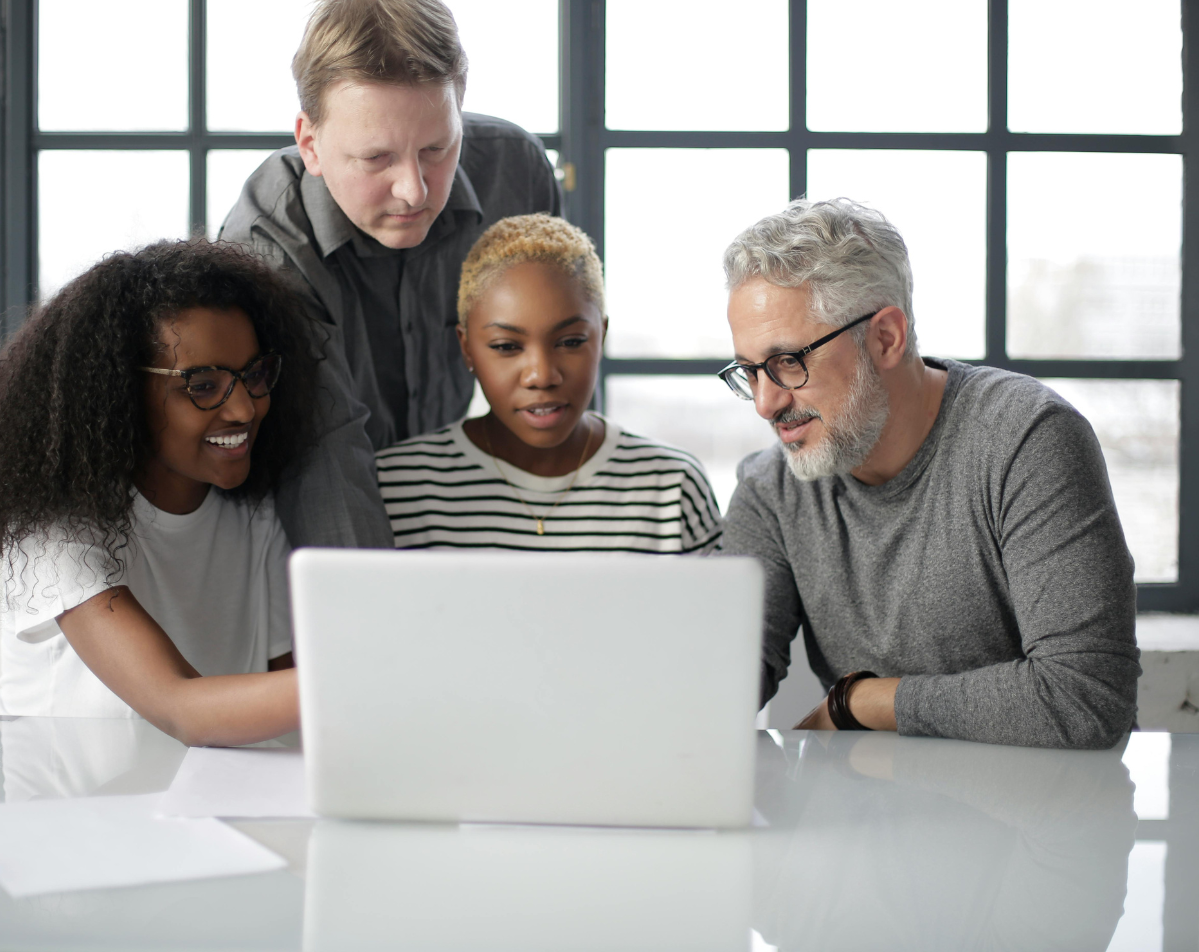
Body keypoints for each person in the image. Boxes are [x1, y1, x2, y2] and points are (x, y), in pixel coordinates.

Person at [715, 199, 1141, 750]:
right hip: (871, 816)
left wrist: (860, 701)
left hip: (1042, 816)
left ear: (886, 338)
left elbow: (1087, 697)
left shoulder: (1026, 440)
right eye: (749, 372)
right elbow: (724, 684)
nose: (765, 404)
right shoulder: (770, 488)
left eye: (788, 362)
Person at [0, 240, 322, 746]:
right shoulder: (58, 533)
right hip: (61, 818)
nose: (244, 409)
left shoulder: (255, 514)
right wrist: (372, 679)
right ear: (121, 393)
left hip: (198, 807)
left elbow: (293, 709)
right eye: (202, 385)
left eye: (254, 375)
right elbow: (179, 708)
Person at [217, 0, 562, 551]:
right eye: (376, 157)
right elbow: (325, 450)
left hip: (452, 503)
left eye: (437, 148)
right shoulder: (267, 245)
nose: (414, 190)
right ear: (310, 144)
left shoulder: (516, 171)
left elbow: (553, 361)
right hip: (294, 529)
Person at [375, 214, 721, 552]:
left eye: (570, 342)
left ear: (601, 336)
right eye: (506, 347)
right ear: (467, 348)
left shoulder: (672, 489)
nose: (541, 376)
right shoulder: (396, 487)